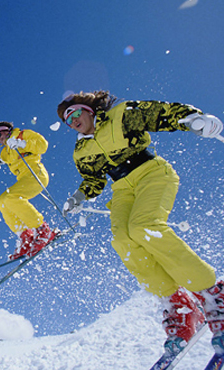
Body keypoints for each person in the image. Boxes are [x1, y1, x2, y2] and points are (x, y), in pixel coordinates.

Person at [57, 90, 224, 356]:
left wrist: (192, 119)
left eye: (76, 113)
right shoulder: (81, 150)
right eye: (68, 120)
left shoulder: (120, 115)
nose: (73, 121)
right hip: (122, 188)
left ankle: (212, 293)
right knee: (123, 240)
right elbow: (94, 180)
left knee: (144, 227)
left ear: (88, 110)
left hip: (150, 172)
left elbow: (158, 114)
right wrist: (80, 195)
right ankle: (179, 305)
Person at [0, 121, 57, 260]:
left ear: (7, 130)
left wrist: (22, 144)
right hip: (23, 179)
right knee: (2, 201)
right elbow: (5, 157)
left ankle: (42, 229)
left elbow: (42, 145)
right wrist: (2, 159)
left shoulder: (22, 134)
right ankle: (25, 236)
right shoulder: (5, 151)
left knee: (11, 198)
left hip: (36, 174)